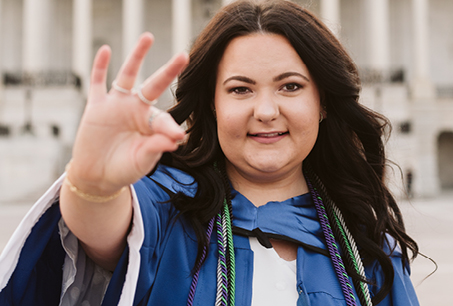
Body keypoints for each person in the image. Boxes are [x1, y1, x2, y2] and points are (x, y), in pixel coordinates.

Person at [0, 1, 420, 305]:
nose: (266, 111)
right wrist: (92, 180)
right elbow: (100, 227)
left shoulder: (368, 245)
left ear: (323, 102)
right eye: (240, 89)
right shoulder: (168, 212)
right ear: (213, 105)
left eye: (290, 86)